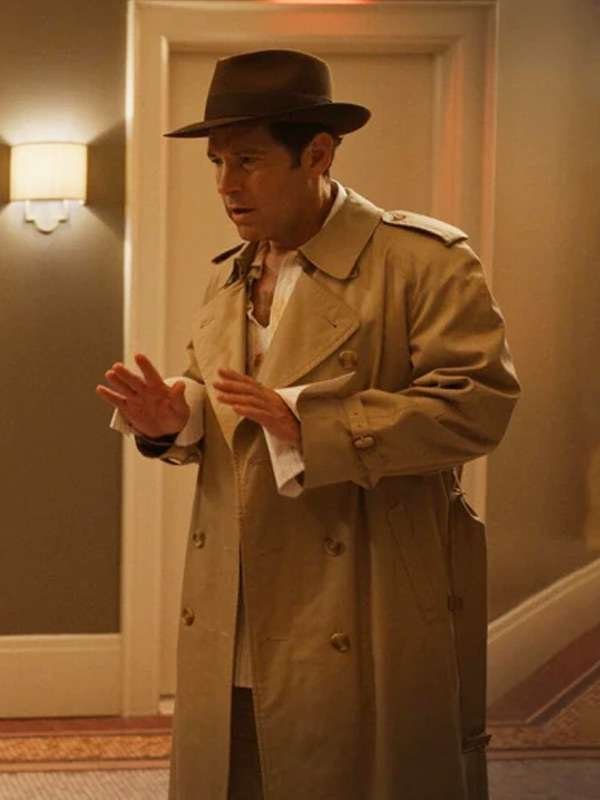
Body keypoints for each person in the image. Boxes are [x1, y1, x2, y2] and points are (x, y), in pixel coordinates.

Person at [97, 49, 520, 800]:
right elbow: (225, 404)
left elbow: (477, 404)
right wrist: (177, 417)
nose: (227, 184)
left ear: (318, 154)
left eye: (249, 160)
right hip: (230, 598)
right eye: (218, 161)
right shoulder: (229, 272)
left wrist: (308, 422)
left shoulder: (422, 261)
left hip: (364, 595)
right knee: (236, 774)